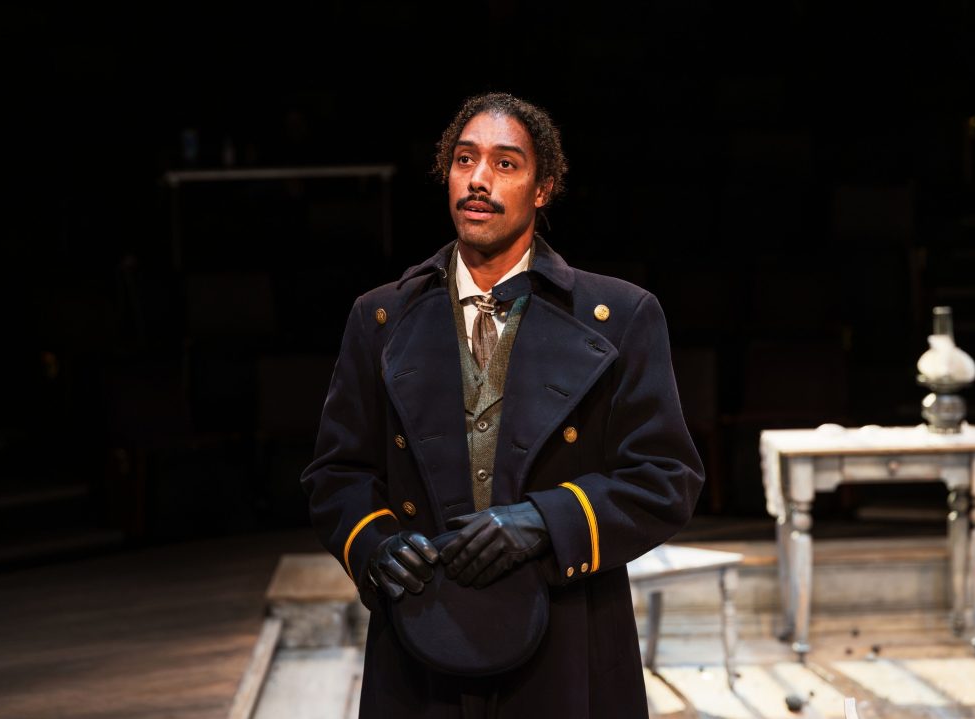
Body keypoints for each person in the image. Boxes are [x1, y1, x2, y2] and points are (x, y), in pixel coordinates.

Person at [300, 91, 704, 718]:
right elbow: (336, 472)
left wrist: (545, 520)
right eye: (464, 160)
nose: (478, 180)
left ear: (543, 189)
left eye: (505, 163)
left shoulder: (621, 316)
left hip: (566, 636)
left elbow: (665, 478)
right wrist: (374, 543)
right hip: (423, 628)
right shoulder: (380, 317)